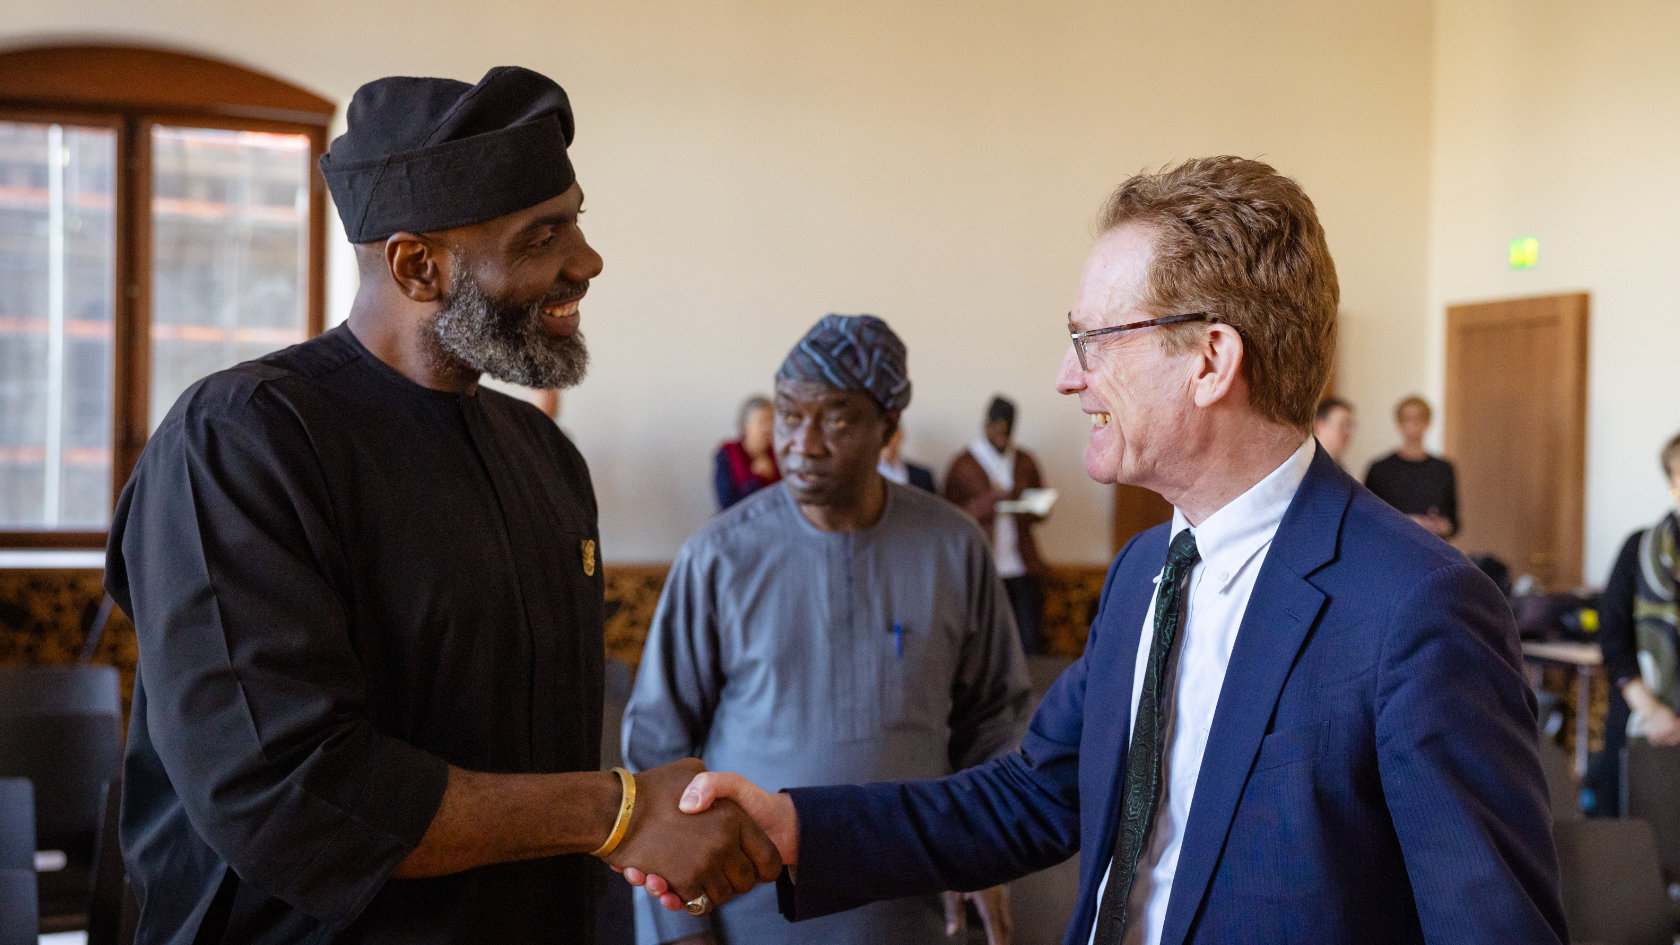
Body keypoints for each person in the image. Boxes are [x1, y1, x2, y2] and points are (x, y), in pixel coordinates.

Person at [641, 156, 1564, 945]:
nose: (1067, 374)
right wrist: (793, 823)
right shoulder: (1144, 574)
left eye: (1093, 339)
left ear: (1210, 360)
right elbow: (1031, 796)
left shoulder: (1417, 606)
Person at [104, 66, 777, 945]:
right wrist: (615, 810)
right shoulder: (242, 440)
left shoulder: (544, 457)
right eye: (542, 237)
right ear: (417, 265)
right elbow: (288, 792)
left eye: (577, 218)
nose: (587, 260)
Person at [623, 314, 1029, 945]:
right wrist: (679, 927)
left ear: (888, 428)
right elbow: (656, 749)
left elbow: (994, 721)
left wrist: (989, 853)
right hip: (743, 912)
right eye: (789, 415)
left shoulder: (955, 548)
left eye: (835, 418)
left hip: (910, 908)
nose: (802, 443)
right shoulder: (718, 557)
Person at [945, 396, 1050, 655]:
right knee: (984, 644)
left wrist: (1022, 504)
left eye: (1008, 432)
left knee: (1028, 641)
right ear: (987, 425)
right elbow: (949, 515)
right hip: (982, 567)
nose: (1002, 438)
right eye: (998, 430)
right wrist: (988, 502)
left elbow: (1041, 510)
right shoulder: (964, 463)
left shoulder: (1025, 460)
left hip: (1022, 567)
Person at [1599, 432, 1680, 745]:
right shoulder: (1638, 548)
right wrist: (1651, 709)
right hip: (1645, 721)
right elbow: (1612, 636)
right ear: (1672, 482)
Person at [1364, 395, 1458, 538]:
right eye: (1408, 419)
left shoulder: (1443, 469)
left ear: (1427, 423)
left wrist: (1442, 525)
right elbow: (1368, 516)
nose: (1414, 424)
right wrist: (1408, 522)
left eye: (1419, 418)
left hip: (1433, 549)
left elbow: (1454, 521)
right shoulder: (1380, 470)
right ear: (1399, 423)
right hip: (1392, 548)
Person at [714, 394, 780, 510]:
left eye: (772, 421)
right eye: (763, 421)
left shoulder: (780, 451)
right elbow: (726, 503)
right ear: (744, 426)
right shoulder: (728, 454)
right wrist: (757, 479)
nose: (769, 428)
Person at [878, 423, 937, 492]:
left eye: (891, 435)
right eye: (883, 436)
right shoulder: (865, 477)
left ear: (900, 435)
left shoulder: (923, 476)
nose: (887, 441)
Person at [1311, 396, 1354, 464]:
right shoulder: (1303, 466)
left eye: (1350, 426)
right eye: (1343, 425)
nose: (1348, 432)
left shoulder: (1340, 468)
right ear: (1319, 426)